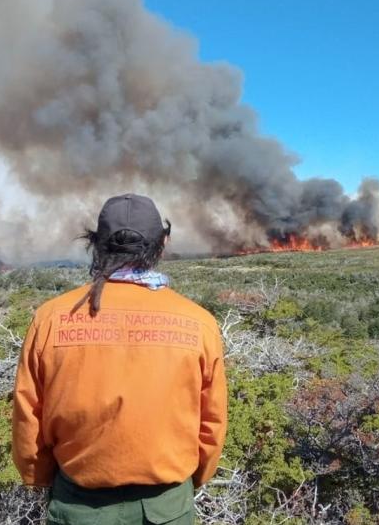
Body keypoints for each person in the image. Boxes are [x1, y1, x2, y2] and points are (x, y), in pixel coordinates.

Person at [12, 193, 228, 525]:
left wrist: (38, 477)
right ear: (163, 243)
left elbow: (29, 415)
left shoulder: (52, 318)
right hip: (167, 508)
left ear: (96, 244)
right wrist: (190, 482)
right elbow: (212, 422)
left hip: (79, 507)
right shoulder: (200, 323)